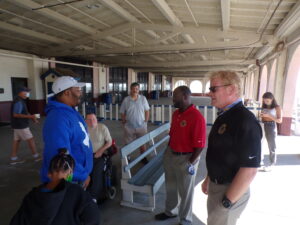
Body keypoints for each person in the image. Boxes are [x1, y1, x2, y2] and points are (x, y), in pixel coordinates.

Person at [201, 71, 262, 225]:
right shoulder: (224, 116)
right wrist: (209, 178)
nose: (209, 93)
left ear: (231, 89)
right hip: (217, 186)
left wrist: (227, 202)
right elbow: (218, 152)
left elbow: (249, 169)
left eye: (214, 89)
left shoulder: (245, 121)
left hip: (230, 190)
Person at [155, 86, 206, 225]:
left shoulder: (197, 117)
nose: (173, 99)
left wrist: (190, 162)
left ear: (185, 97)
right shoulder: (176, 114)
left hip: (187, 158)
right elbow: (172, 134)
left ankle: (185, 220)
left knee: (186, 192)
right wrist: (168, 150)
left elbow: (200, 145)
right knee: (171, 186)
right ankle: (171, 212)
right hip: (171, 155)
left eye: (175, 96)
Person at [10, 148, 99, 225]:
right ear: (70, 174)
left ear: (49, 174)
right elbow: (93, 217)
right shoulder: (77, 193)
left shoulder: (31, 197)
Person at [41, 76, 93, 189]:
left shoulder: (71, 111)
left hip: (78, 174)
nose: (81, 93)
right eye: (78, 90)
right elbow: (59, 155)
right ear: (67, 92)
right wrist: (82, 175)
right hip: (70, 180)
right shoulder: (58, 118)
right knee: (70, 205)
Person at [120, 82, 150, 164]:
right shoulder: (126, 100)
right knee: (128, 144)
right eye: (133, 89)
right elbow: (122, 112)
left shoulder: (143, 99)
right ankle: (128, 158)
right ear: (131, 89)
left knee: (142, 143)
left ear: (139, 89)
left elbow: (147, 110)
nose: (135, 90)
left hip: (141, 126)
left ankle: (143, 157)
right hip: (129, 127)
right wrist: (123, 121)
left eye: (137, 88)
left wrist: (146, 121)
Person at [85, 113, 112, 203]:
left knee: (96, 172)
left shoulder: (102, 128)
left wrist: (101, 151)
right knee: (82, 171)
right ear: (86, 121)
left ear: (96, 119)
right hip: (87, 155)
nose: (91, 121)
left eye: (93, 119)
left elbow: (109, 142)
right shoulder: (84, 129)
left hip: (99, 155)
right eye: (89, 119)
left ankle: (93, 196)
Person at [10, 87, 40, 165]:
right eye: (26, 92)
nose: (28, 93)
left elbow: (26, 112)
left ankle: (13, 158)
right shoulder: (18, 101)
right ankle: (36, 157)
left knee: (17, 140)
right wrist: (31, 117)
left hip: (17, 125)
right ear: (21, 92)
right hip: (21, 125)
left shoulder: (20, 100)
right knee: (30, 139)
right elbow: (16, 114)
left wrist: (33, 118)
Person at [260, 92, 282, 169]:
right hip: (262, 124)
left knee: (271, 145)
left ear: (272, 99)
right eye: (264, 101)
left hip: (271, 126)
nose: (265, 102)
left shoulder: (277, 107)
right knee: (259, 143)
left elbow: (279, 120)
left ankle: (272, 163)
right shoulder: (264, 106)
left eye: (267, 101)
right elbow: (262, 116)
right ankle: (260, 161)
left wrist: (269, 116)